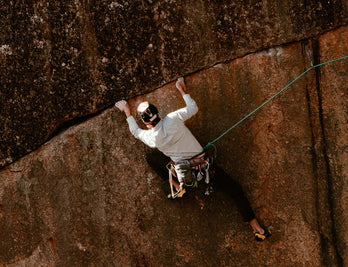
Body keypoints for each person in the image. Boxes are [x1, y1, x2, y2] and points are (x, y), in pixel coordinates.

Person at [115, 78, 270, 241]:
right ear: (158, 113)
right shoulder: (173, 119)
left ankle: (177, 187)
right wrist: (182, 90)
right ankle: (257, 229)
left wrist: (127, 110)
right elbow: (192, 108)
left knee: (152, 158)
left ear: (146, 124)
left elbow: (134, 131)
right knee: (236, 191)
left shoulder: (151, 138)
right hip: (207, 168)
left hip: (185, 173)